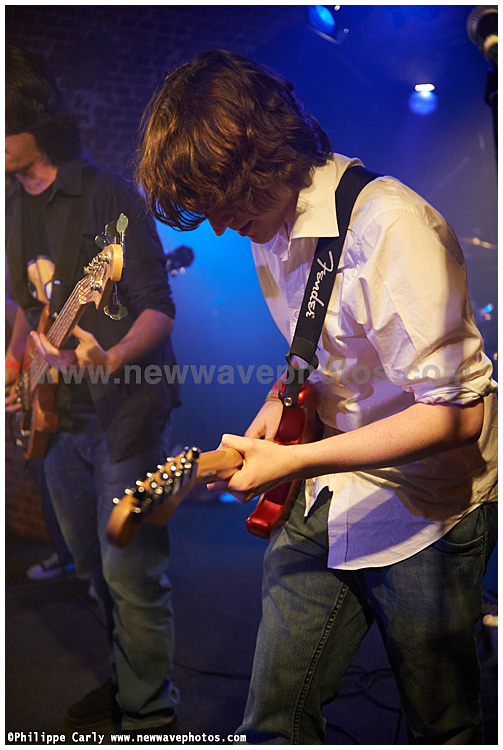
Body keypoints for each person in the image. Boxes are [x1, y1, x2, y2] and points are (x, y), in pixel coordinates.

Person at [136, 49, 498, 744]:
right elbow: (324, 347)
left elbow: (457, 415)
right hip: (329, 489)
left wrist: (295, 461)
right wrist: (280, 402)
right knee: (273, 723)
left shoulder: (390, 228)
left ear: (267, 157)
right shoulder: (268, 222)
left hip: (427, 504)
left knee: (441, 726)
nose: (220, 226)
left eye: (226, 204)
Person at [5, 45, 180, 734]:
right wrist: (15, 367)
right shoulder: (10, 207)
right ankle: (125, 680)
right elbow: (26, 308)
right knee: (86, 566)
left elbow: (158, 309)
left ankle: (149, 712)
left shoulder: (107, 199)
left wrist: (113, 357)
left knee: (130, 568)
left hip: (124, 410)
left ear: (33, 121)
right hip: (55, 415)